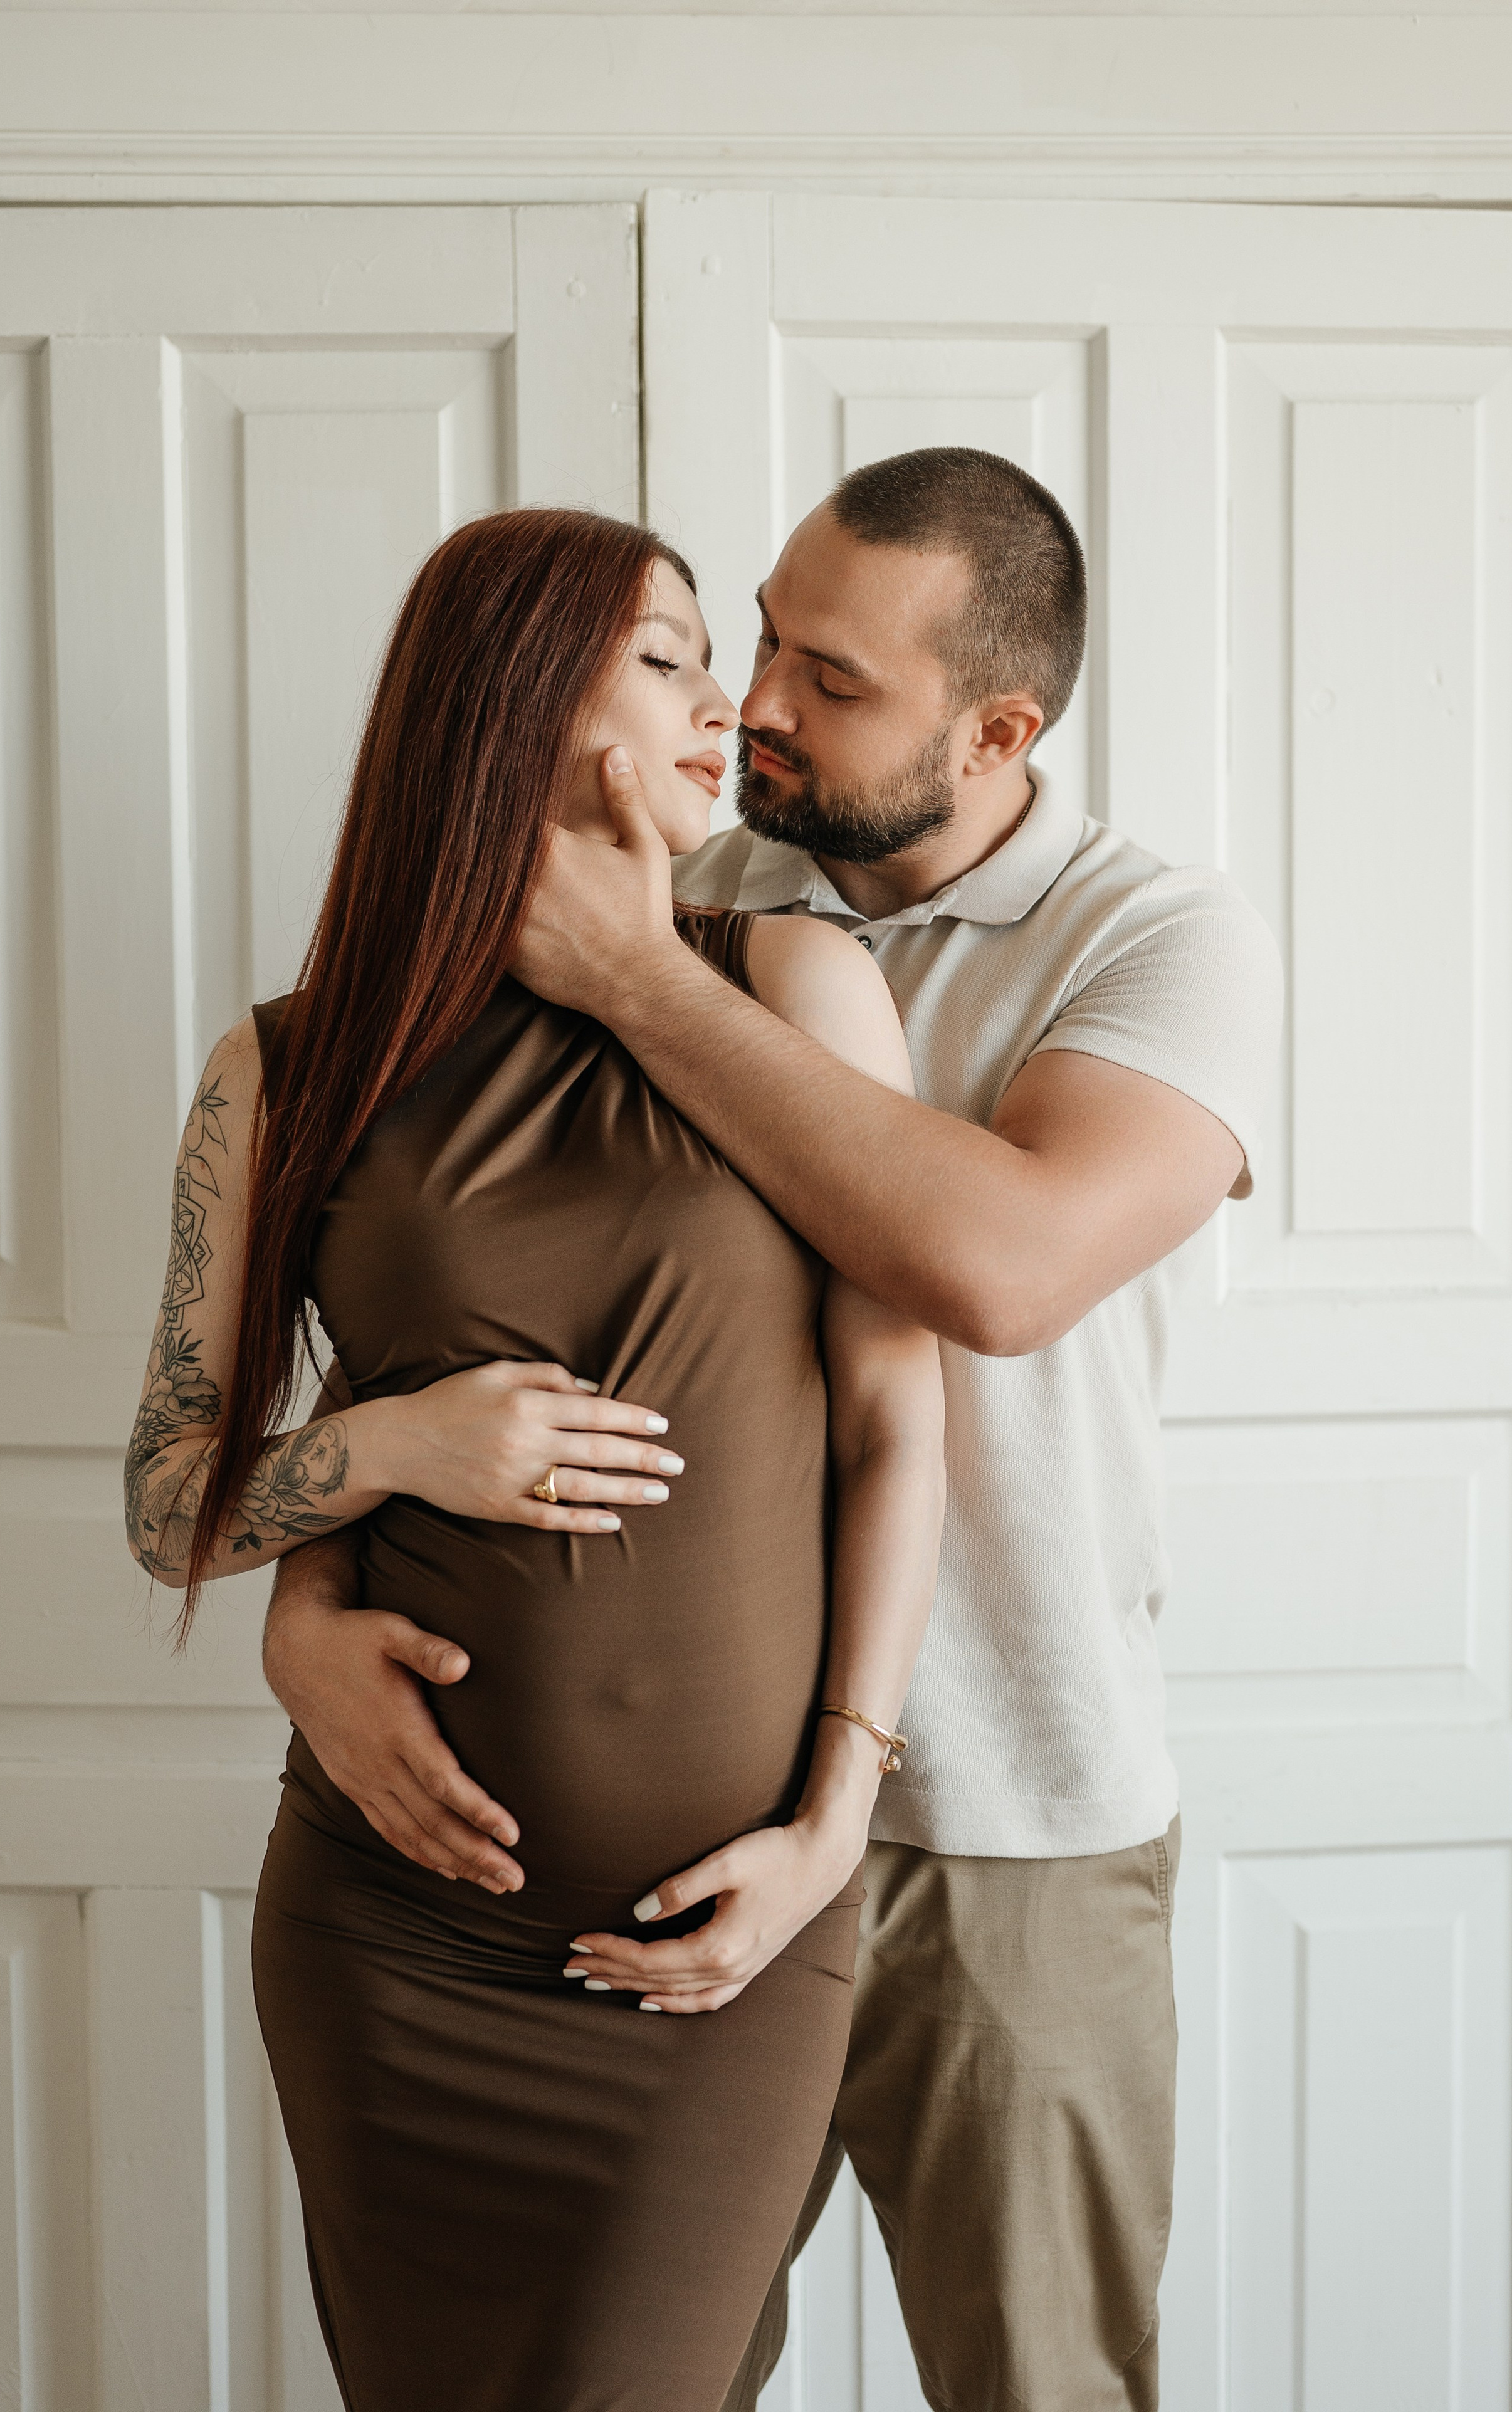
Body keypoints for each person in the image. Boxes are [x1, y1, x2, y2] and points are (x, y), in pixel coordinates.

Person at [262, 449, 1283, 2411]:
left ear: (997, 729)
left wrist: (652, 984)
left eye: (833, 676)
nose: (756, 705)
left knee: (1040, 2379)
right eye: (757, 640)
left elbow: (996, 1272)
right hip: (658, 1836)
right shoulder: (677, 891)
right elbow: (424, 1307)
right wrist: (308, 1599)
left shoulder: (1154, 943)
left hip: (1007, 1824)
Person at [121, 506, 946, 2412]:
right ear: (511, 698)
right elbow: (171, 1504)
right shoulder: (284, 1068)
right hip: (391, 1939)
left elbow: (901, 1422)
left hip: (715, 1942)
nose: (724, 700)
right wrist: (397, 1443)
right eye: (666, 656)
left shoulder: (793, 986)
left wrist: (837, 1821)